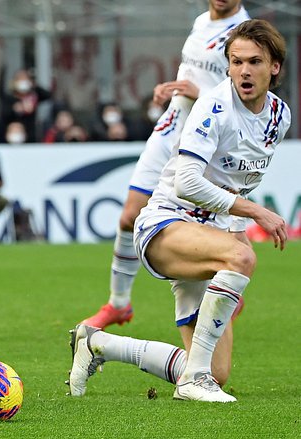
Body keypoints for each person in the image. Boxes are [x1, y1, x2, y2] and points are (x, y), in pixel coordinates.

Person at [70, 19, 290, 403]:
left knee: (213, 371)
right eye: (236, 62)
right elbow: (186, 183)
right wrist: (255, 215)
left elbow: (243, 179)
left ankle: (98, 344)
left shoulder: (278, 117)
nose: (244, 71)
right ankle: (192, 385)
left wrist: (235, 230)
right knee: (242, 256)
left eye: (254, 62)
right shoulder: (214, 107)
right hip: (165, 225)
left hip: (208, 238)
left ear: (275, 67)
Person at [80, 0, 250, 329]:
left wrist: (197, 94)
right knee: (129, 214)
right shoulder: (202, 21)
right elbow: (193, 74)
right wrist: (171, 90)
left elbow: (241, 103)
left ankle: (223, 284)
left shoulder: (245, 34)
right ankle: (118, 304)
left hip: (205, 138)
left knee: (196, 221)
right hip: (173, 125)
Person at [0, 69, 51, 143]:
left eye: (25, 79)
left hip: (30, 134)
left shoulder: (33, 96)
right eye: (20, 79)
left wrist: (34, 85)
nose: (23, 81)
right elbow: (4, 115)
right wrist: (15, 110)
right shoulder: (9, 98)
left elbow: (47, 95)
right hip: (12, 136)